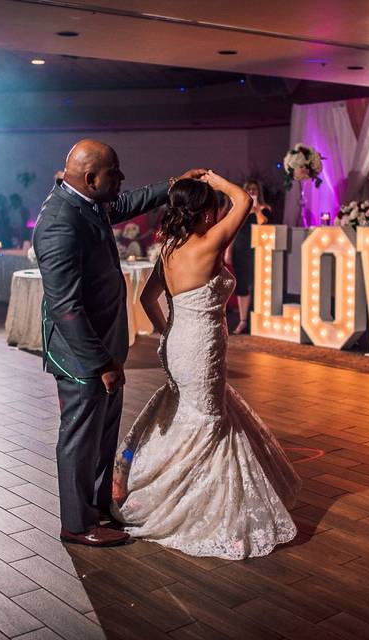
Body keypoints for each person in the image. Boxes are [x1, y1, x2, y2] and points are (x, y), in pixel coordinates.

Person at [111, 171, 301, 559]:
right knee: (209, 421)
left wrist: (169, 332)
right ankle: (184, 505)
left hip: (177, 344)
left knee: (187, 411)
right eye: (212, 210)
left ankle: (136, 471)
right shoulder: (209, 242)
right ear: (203, 214)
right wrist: (217, 179)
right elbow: (244, 201)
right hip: (202, 348)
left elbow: (148, 301)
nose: (217, 216)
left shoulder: (169, 249)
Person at [33, 138, 206, 547]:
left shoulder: (87, 201)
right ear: (91, 178)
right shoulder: (60, 221)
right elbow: (66, 308)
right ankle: (76, 525)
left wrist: (173, 184)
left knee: (102, 434)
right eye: (115, 173)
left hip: (104, 345)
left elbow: (126, 203)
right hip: (80, 356)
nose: (122, 179)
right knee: (79, 436)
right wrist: (101, 364)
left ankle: (97, 510)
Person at [225, 179, 272, 334]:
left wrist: (257, 210)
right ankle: (243, 320)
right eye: (249, 189)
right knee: (242, 285)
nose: (252, 192)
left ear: (259, 192)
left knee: (259, 285)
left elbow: (264, 224)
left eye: (255, 189)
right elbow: (233, 231)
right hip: (240, 249)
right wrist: (228, 251)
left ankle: (258, 321)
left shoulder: (265, 209)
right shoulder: (238, 209)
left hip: (259, 250)